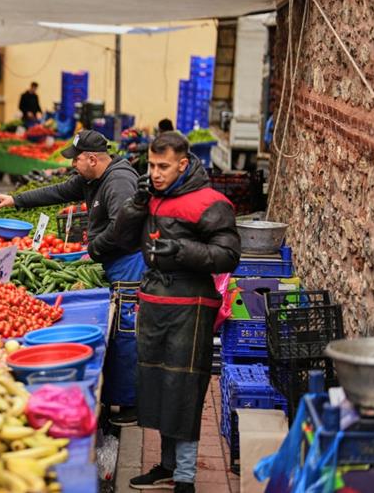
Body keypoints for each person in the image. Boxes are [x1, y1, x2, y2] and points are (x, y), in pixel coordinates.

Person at [0, 129, 145, 425]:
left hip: (129, 263)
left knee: (126, 332)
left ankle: (130, 405)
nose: (72, 164)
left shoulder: (120, 182)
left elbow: (123, 230)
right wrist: (15, 200)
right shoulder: (92, 178)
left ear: (93, 159)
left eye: (76, 160)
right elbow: (57, 191)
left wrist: (93, 248)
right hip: (115, 260)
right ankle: (119, 396)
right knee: (120, 331)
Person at [113, 132, 240, 493]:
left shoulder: (212, 203)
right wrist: (136, 204)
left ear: (183, 165)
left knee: (182, 387)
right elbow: (121, 240)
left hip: (191, 306)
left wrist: (182, 250)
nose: (154, 173)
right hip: (154, 302)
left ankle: (185, 477)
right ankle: (166, 466)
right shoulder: (149, 198)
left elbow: (229, 256)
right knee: (155, 385)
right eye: (151, 165)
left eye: (163, 166)